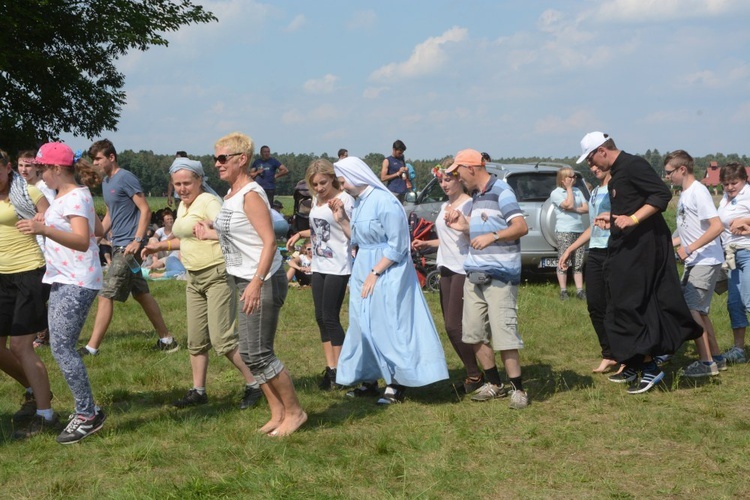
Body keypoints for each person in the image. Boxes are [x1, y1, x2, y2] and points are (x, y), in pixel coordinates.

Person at [195, 132, 306, 437]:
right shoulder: (232, 195)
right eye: (215, 158)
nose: (216, 164)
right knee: (248, 351)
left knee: (259, 353)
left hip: (263, 279)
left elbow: (270, 241)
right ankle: (277, 412)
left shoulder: (251, 194)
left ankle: (295, 412)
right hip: (245, 278)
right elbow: (244, 235)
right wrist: (210, 234)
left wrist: (256, 283)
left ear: (241, 159)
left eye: (222, 158)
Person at [577, 131, 702, 394]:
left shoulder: (633, 165)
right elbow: (633, 204)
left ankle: (650, 367)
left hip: (643, 248)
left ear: (602, 150)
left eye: (591, 160)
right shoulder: (617, 172)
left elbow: (660, 196)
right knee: (616, 304)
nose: (591, 166)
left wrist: (632, 220)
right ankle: (633, 362)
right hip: (625, 245)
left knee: (631, 304)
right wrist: (612, 217)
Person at [142, 157, 263, 410]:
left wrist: (211, 231)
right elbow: (187, 239)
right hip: (193, 277)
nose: (182, 188)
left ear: (199, 180)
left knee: (223, 339)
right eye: (177, 184)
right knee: (196, 340)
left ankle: (256, 384)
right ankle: (198, 391)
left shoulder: (209, 202)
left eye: (187, 182)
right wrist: (160, 245)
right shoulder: (184, 206)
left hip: (217, 274)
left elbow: (232, 231)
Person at [332, 156, 448, 404]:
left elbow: (397, 245)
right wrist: (342, 219)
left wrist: (376, 272)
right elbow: (362, 239)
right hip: (366, 268)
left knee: (389, 324)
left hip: (388, 271)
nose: (342, 187)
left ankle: (396, 381)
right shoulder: (360, 203)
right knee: (363, 324)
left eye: (343, 181)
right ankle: (370, 378)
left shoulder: (385, 201)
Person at [16, 142, 107, 443]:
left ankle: (87, 414)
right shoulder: (65, 196)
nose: (39, 174)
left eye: (42, 168)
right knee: (60, 347)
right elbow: (97, 231)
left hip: (77, 281)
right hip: (65, 278)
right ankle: (87, 409)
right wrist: (48, 220)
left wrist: (43, 229)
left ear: (56, 169)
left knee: (63, 349)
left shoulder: (75, 198)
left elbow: (83, 240)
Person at [444, 149, 530, 409]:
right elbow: (481, 227)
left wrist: (492, 236)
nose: (458, 177)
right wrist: (464, 225)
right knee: (473, 333)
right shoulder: (478, 196)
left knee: (504, 336)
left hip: (500, 276)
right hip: (475, 274)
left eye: (459, 172)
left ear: (472, 168)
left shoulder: (501, 191)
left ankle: (518, 389)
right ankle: (494, 383)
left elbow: (520, 227)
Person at [79, 139, 178, 355]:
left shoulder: (125, 178)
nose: (95, 163)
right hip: (119, 246)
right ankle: (167, 340)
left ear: (111, 157)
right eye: (93, 159)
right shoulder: (106, 183)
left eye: (98, 158)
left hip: (129, 247)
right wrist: (95, 240)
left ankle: (91, 348)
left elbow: (145, 210)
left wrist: (137, 239)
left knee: (106, 294)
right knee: (141, 293)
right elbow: (111, 216)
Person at [411, 158, 483, 394]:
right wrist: (427, 244)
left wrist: (466, 226)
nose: (444, 184)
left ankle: (475, 375)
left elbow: (475, 234)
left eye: (448, 179)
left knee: (454, 327)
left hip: (463, 269)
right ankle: (474, 372)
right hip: (446, 269)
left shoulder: (469, 204)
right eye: (441, 179)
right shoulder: (444, 207)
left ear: (460, 179)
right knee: (451, 326)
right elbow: (447, 240)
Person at [0, 148, 55, 437]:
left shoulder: (27, 192)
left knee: (21, 346)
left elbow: (52, 217)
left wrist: (38, 223)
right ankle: (34, 391)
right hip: (1, 277)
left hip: (29, 273)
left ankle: (46, 415)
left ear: (8, 168)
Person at [286, 159, 354, 390]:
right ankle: (331, 368)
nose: (319, 188)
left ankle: (344, 371)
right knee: (320, 317)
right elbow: (319, 229)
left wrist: (342, 216)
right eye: (314, 184)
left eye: (323, 183)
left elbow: (352, 232)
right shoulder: (317, 200)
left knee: (330, 317)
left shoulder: (345, 200)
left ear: (332, 178)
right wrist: (300, 234)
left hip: (338, 264)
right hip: (320, 264)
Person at [665, 150, 725, 378]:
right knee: (699, 311)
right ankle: (717, 357)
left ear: (682, 169)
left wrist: (690, 248)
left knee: (692, 310)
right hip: (695, 260)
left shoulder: (698, 192)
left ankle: (706, 363)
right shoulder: (684, 194)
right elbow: (685, 233)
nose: (667, 176)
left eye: (670, 172)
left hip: (705, 260)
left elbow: (716, 227)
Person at [559, 162, 616, 373]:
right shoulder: (594, 192)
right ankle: (609, 353)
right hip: (595, 252)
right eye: (591, 166)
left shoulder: (615, 189)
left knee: (615, 306)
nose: (594, 168)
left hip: (614, 251)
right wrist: (570, 250)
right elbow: (592, 226)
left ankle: (625, 354)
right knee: (595, 306)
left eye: (597, 165)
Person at [17, 150, 56, 348]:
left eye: (29, 166)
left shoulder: (42, 189)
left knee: (37, 293)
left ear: (37, 168)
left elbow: (52, 215)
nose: (24, 170)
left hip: (44, 247)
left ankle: (42, 335)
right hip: (27, 246)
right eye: (21, 165)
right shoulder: (21, 188)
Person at [716, 163, 750, 364]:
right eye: (726, 183)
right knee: (734, 303)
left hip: (748, 252)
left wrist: (745, 221)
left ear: (744, 180)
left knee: (748, 299)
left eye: (734, 182)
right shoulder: (724, 201)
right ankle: (739, 349)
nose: (730, 187)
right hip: (730, 256)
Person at [549, 167, 588, 300]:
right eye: (570, 177)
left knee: (578, 261)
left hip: (579, 229)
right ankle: (564, 291)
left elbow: (586, 208)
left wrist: (574, 209)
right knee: (563, 260)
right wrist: (569, 189)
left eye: (574, 177)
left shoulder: (578, 191)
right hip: (564, 230)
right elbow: (567, 204)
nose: (573, 179)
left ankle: (579, 290)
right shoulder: (556, 193)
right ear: (563, 179)